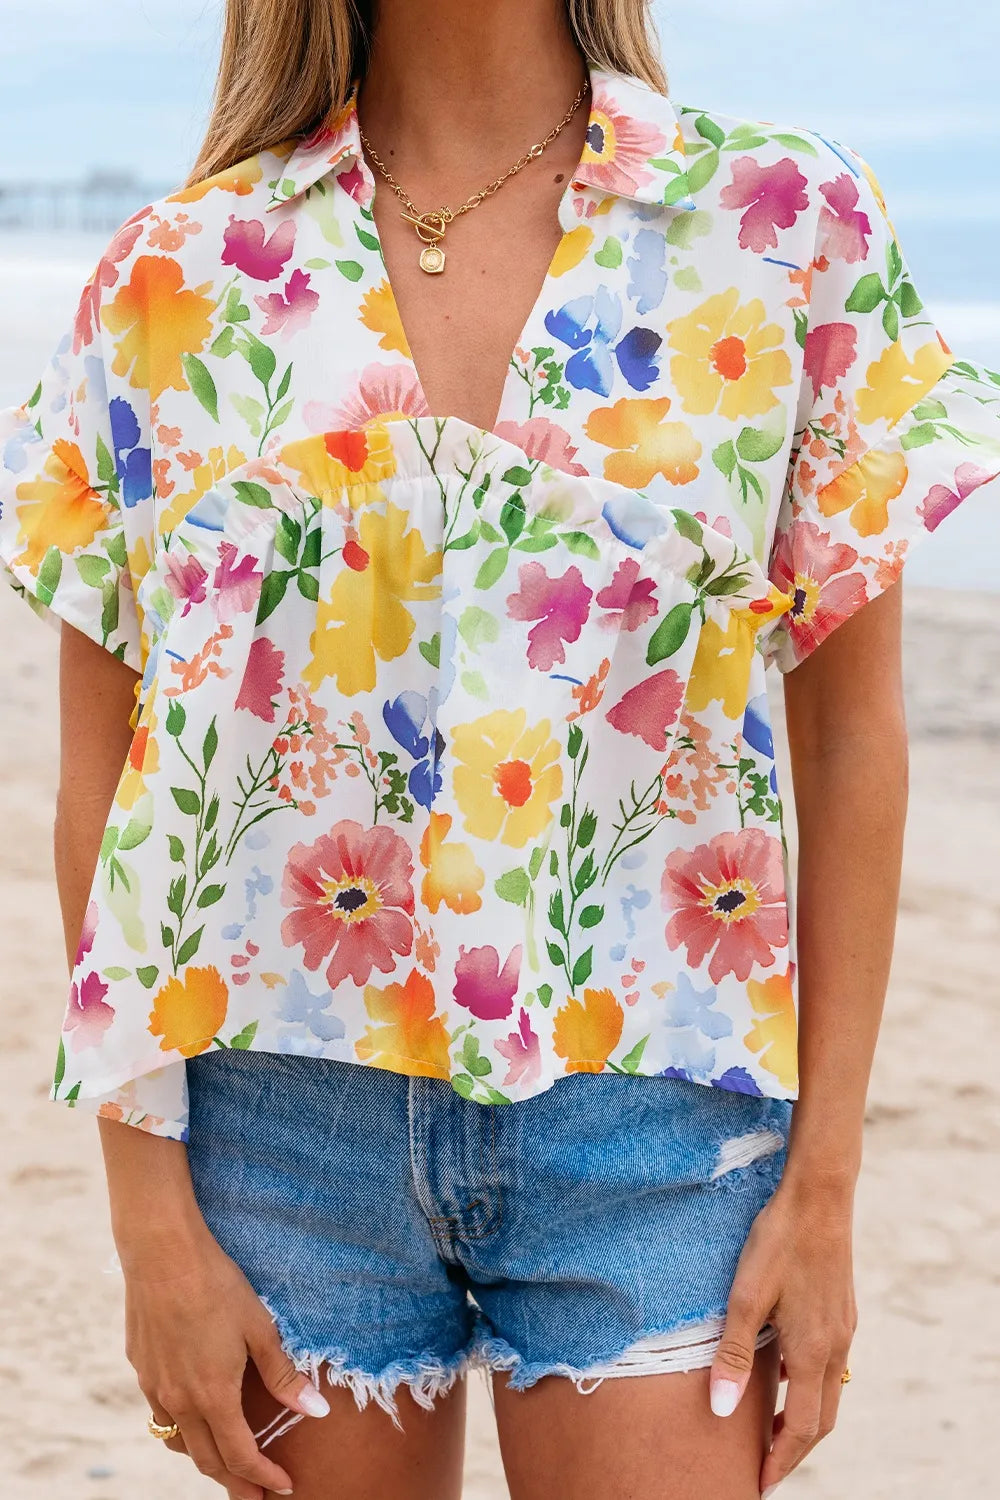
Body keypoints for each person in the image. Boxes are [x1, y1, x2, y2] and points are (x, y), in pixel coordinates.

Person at [2, 2, 998, 1498]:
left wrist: (828, 1182)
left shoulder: (780, 223)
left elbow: (853, 739)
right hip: (283, 1125)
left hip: (661, 1114)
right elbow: (109, 780)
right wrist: (147, 1220)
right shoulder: (177, 273)